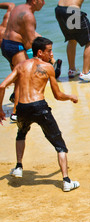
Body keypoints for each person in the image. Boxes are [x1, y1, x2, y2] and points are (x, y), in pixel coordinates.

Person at [0, 37, 80, 192]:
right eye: (49, 51)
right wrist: (71, 97)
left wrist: (0, 109)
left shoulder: (20, 65)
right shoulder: (47, 67)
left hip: (22, 108)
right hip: (39, 107)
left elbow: (2, 85)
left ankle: (18, 166)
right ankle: (66, 181)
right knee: (59, 145)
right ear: (40, 52)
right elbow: (57, 95)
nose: (51, 54)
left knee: (21, 133)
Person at [1, 0, 46, 122]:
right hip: (16, 47)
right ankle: (16, 112)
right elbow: (32, 41)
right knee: (23, 78)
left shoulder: (19, 8)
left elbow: (23, 31)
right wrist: (45, 58)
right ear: (34, 1)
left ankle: (15, 99)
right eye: (42, 0)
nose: (44, 3)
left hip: (6, 45)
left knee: (18, 78)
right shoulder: (29, 16)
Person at [55, 0, 90, 82]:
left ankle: (72, 70)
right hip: (72, 10)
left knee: (72, 39)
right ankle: (86, 73)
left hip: (60, 9)